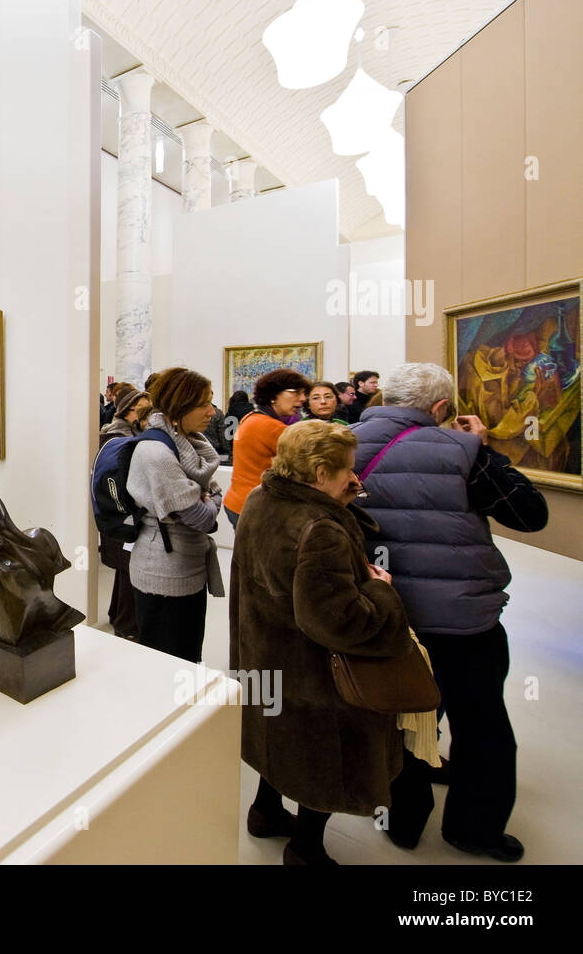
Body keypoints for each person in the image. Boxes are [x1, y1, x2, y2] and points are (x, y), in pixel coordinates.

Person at [351, 363, 548, 862]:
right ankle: (474, 830)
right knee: (480, 722)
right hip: (462, 619)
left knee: (401, 716)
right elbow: (530, 514)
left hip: (381, 612)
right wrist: (484, 446)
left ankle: (400, 823)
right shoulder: (463, 450)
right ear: (440, 409)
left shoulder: (339, 443)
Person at [231, 421, 413, 865]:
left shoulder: (262, 497)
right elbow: (339, 621)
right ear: (317, 472)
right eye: (347, 470)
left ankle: (265, 812)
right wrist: (381, 591)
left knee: (279, 737)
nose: (355, 478)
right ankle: (306, 848)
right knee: (320, 756)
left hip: (265, 652)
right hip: (311, 672)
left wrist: (342, 504)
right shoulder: (319, 529)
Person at [125, 367, 224, 663]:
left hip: (187, 563)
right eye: (203, 404)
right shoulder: (156, 452)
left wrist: (208, 495)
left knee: (188, 653)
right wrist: (211, 497)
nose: (213, 411)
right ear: (179, 406)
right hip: (163, 571)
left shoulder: (190, 443)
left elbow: (206, 496)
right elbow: (202, 517)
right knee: (166, 659)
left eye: (211, 401)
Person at [222, 369, 310, 527]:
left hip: (239, 502)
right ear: (273, 395)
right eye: (296, 392)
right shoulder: (272, 427)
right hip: (259, 508)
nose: (303, 398)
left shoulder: (250, 418)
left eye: (304, 393)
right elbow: (306, 466)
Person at [96, 388, 150, 641]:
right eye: (143, 409)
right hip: (122, 515)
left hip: (116, 515)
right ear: (128, 412)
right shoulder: (121, 438)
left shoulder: (120, 435)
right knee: (129, 570)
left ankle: (118, 615)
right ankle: (127, 627)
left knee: (124, 570)